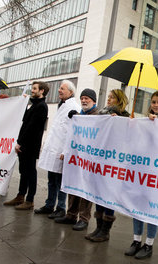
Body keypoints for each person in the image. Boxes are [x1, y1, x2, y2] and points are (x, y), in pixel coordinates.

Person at [124, 91, 158, 259]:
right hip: (142, 169)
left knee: (152, 209)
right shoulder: (146, 120)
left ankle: (149, 244)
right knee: (137, 205)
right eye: (153, 102)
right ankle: (136, 240)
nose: (156, 105)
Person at [85, 89, 129, 243]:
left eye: (112, 97)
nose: (109, 99)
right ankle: (98, 228)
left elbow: (127, 138)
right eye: (108, 97)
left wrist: (120, 122)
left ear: (120, 100)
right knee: (98, 194)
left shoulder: (124, 116)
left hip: (113, 162)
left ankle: (105, 231)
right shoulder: (102, 114)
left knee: (108, 196)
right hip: (100, 160)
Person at [35, 80, 81, 219]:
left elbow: (72, 132)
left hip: (61, 151)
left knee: (60, 182)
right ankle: (49, 205)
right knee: (51, 180)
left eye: (62, 88)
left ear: (70, 92)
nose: (59, 90)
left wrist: (65, 151)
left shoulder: (73, 107)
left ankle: (61, 208)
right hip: (54, 149)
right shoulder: (62, 105)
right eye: (59, 88)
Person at [3, 81, 49, 210]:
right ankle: (20, 196)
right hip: (25, 145)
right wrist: (23, 104)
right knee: (23, 171)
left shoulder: (41, 106)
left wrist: (20, 143)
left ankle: (29, 200)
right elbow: (24, 121)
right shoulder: (34, 105)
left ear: (42, 91)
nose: (32, 90)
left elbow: (31, 128)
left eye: (34, 89)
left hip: (30, 145)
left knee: (30, 173)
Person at [58, 88, 98, 231]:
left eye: (87, 98)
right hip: (76, 158)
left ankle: (84, 218)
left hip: (89, 160)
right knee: (73, 185)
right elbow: (71, 135)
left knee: (85, 189)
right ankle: (71, 214)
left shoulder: (98, 116)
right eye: (82, 98)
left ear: (93, 101)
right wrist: (66, 150)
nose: (84, 100)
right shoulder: (79, 115)